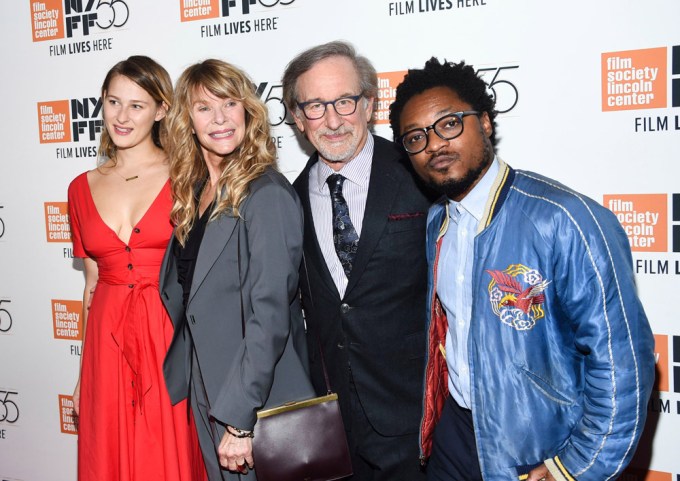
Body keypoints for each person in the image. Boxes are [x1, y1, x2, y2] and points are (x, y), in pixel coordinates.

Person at [388, 57, 656, 481]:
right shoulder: (437, 223)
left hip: (539, 450)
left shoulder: (565, 219)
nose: (435, 145)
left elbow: (624, 367)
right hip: (456, 436)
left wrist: (573, 466)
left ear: (486, 122)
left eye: (450, 124)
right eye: (416, 137)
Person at [282, 41, 432, 480]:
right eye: (314, 106)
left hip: (417, 417)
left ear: (368, 105)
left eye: (344, 101)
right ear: (296, 117)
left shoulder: (421, 174)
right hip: (334, 423)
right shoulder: (288, 200)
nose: (332, 120)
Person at [160, 59, 315, 480]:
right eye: (204, 108)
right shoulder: (196, 192)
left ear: (248, 110)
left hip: (251, 399)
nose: (220, 119)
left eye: (230, 103)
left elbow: (269, 314)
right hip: (208, 384)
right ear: (186, 120)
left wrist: (241, 418)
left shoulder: (265, 194)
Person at [67, 55, 206, 481]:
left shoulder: (188, 173)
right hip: (106, 344)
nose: (121, 117)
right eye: (113, 102)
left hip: (169, 336)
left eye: (137, 105)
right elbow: (91, 285)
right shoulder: (79, 187)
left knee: (171, 453)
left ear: (162, 110)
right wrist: (80, 377)